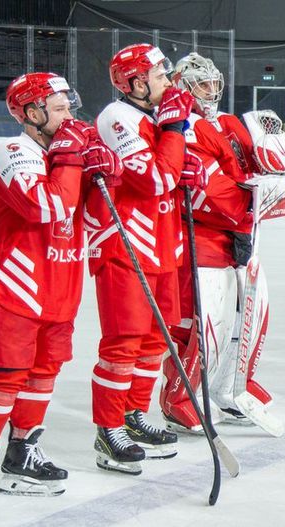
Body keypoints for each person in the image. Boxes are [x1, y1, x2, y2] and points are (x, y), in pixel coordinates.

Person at [0, 72, 117, 510]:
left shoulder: (69, 155)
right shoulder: (11, 152)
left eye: (70, 107)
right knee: (5, 378)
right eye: (61, 109)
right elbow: (47, 206)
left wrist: (108, 175)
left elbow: (93, 221)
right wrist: (72, 160)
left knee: (43, 375)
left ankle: (21, 449)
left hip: (59, 285)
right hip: (12, 284)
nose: (70, 118)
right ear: (31, 113)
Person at [87, 44, 204, 475]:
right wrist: (173, 131)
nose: (169, 84)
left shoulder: (155, 119)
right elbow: (155, 179)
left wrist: (193, 174)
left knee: (156, 340)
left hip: (161, 245)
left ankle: (135, 415)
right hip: (125, 246)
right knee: (123, 343)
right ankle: (109, 427)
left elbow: (177, 176)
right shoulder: (117, 119)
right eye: (160, 76)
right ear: (135, 83)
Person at [160, 52, 285, 434]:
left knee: (255, 313)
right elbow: (206, 191)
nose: (210, 91)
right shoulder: (182, 127)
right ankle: (179, 397)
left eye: (215, 83)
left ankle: (232, 386)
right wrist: (249, 202)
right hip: (204, 237)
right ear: (183, 85)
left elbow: (259, 164)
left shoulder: (230, 122)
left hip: (242, 233)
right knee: (208, 324)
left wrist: (272, 153)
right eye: (201, 84)